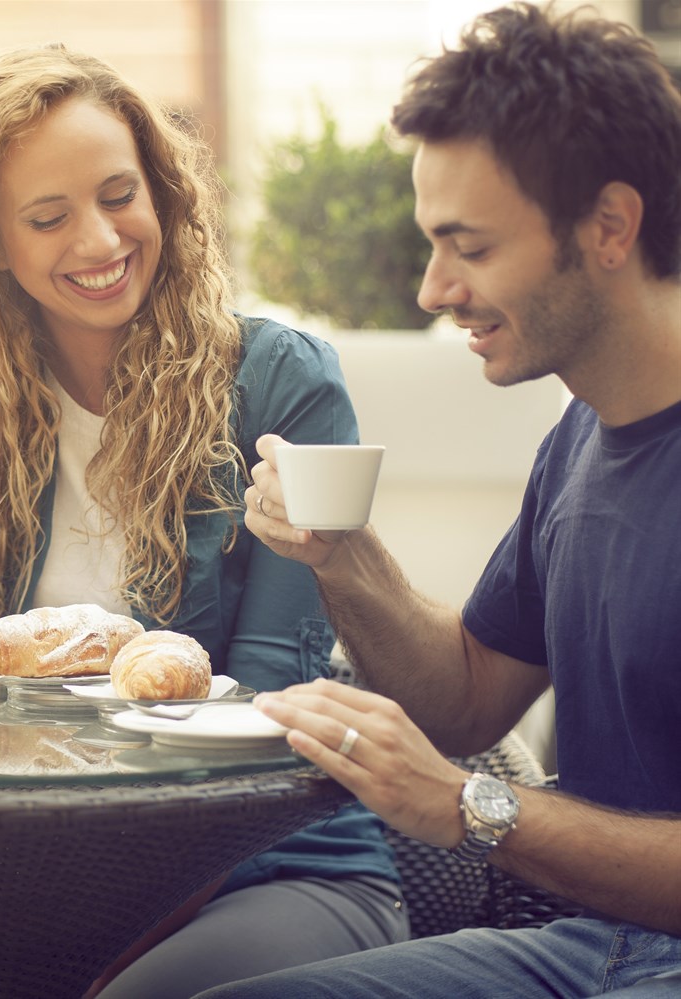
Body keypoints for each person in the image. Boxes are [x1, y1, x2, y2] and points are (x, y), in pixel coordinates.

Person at [0, 44, 408, 997]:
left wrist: (71, 948)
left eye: (120, 194)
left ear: (163, 194)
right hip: (34, 876)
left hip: (274, 867)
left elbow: (267, 710)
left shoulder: (276, 381)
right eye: (48, 216)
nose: (101, 240)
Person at [213, 4, 681, 996]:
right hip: (587, 950)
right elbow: (465, 695)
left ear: (609, 226)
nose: (432, 290)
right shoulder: (584, 439)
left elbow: (464, 773)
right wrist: (341, 555)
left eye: (467, 246)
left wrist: (473, 808)